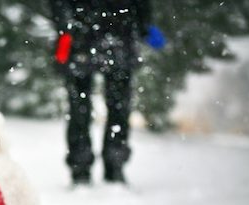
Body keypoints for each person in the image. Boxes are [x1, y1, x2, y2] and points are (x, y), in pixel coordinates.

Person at [49, 0, 165, 184]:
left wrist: (66, 24)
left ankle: (100, 166)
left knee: (85, 107)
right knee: (108, 108)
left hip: (96, 35)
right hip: (103, 35)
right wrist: (143, 25)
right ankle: (99, 166)